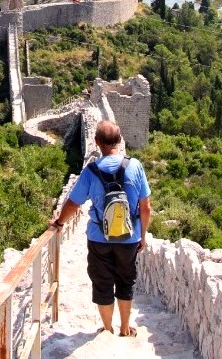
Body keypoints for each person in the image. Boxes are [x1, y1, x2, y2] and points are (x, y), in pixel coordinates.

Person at [48, 120, 152, 337]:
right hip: (129, 237)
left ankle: (107, 329)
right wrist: (142, 236)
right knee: (126, 280)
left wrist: (59, 223)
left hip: (99, 238)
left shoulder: (91, 171)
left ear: (96, 142)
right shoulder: (135, 166)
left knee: (102, 282)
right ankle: (125, 328)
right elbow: (146, 207)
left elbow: (73, 204)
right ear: (120, 139)